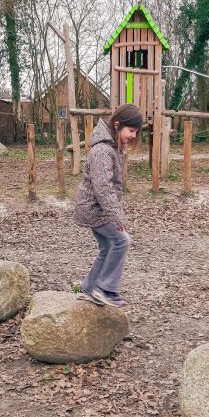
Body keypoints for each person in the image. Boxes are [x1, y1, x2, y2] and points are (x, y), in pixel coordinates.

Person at [73, 103, 143, 307]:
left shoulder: (112, 146)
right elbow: (103, 188)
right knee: (121, 240)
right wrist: (117, 218)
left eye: (136, 132)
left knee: (107, 247)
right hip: (95, 209)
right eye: (131, 130)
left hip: (97, 207)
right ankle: (105, 289)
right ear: (117, 125)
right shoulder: (103, 150)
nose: (133, 135)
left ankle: (87, 289)